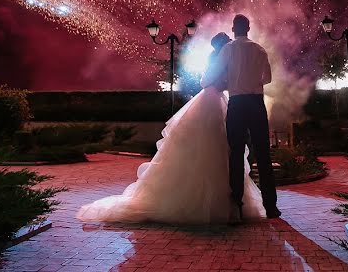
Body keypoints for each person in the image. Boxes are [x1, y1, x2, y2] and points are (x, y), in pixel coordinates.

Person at [76, 31, 265, 225]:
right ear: (223, 46)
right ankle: (222, 201)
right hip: (213, 102)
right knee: (213, 147)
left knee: (214, 148)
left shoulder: (221, 59)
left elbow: (210, 81)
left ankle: (224, 200)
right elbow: (213, 82)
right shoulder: (223, 60)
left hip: (214, 100)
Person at [203, 14, 280, 222]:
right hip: (256, 103)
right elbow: (268, 78)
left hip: (237, 104)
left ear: (233, 28)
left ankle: (237, 206)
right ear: (248, 27)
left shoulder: (228, 49)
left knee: (236, 154)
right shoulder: (259, 49)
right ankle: (271, 206)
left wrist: (213, 82)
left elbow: (210, 77)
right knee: (263, 154)